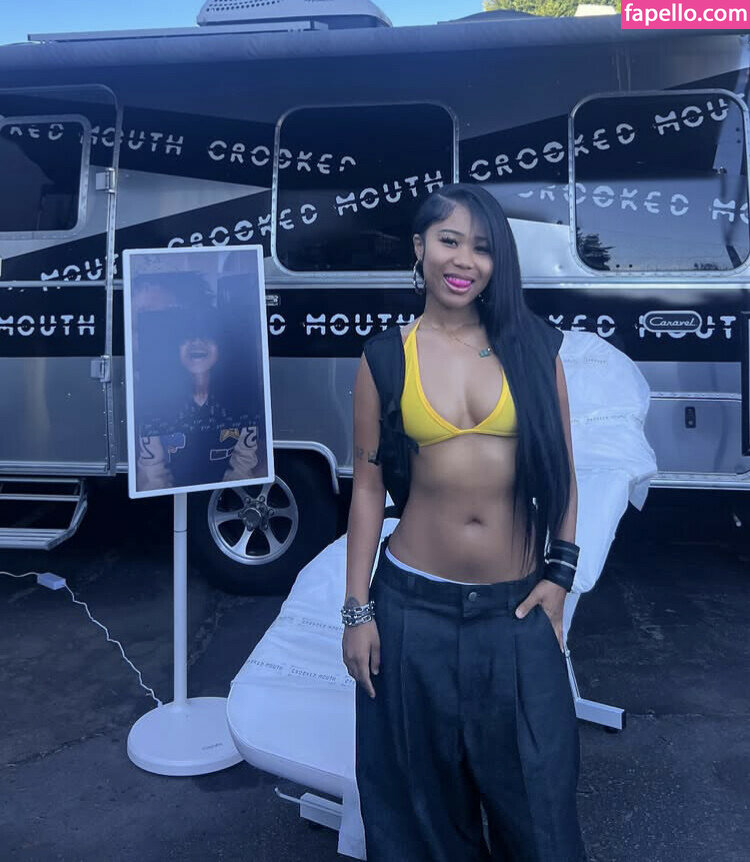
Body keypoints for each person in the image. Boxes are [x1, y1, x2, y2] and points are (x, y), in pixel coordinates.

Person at [342, 183, 587, 861]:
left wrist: (560, 575)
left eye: (482, 247)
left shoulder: (533, 347)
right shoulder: (385, 357)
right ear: (419, 248)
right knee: (419, 814)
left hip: (515, 608)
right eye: (449, 240)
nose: (464, 261)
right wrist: (357, 611)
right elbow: (366, 489)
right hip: (411, 609)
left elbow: (564, 470)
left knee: (540, 810)